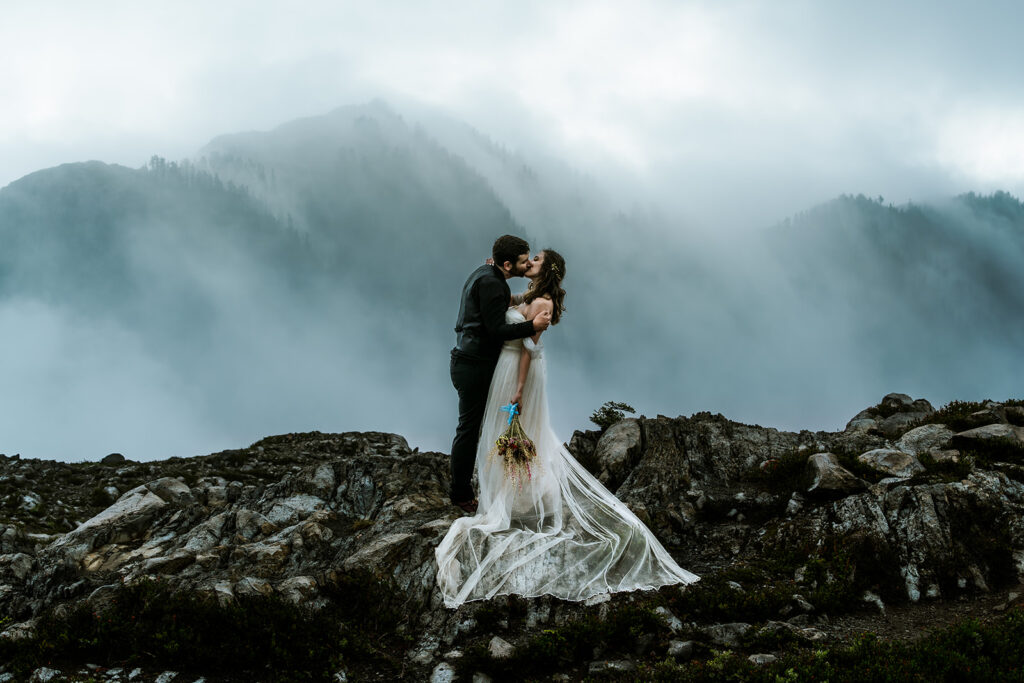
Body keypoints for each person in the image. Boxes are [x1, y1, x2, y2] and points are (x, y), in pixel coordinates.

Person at [436, 249, 699, 607]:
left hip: (519, 373)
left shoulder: (542, 300)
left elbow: (530, 346)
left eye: (537, 260)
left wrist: (518, 389)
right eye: (528, 258)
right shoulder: (530, 295)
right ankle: (507, 493)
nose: (530, 262)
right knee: (502, 434)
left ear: (547, 270)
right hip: (505, 368)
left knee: (518, 434)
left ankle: (517, 497)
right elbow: (507, 306)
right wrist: (495, 271)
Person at [449, 235, 552, 514]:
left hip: (467, 360)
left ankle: (482, 487)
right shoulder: (492, 282)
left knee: (475, 427)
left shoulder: (487, 274)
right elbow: (497, 330)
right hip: (473, 365)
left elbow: (504, 304)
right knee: (469, 430)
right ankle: (460, 494)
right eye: (522, 261)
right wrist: (532, 324)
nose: (528, 264)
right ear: (507, 264)